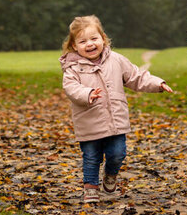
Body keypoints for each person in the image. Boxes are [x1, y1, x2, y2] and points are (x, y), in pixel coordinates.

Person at [60, 15, 174, 203]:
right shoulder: (72, 68)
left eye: (94, 39)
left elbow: (136, 76)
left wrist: (157, 83)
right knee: (91, 156)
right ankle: (90, 187)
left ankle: (111, 174)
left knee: (118, 153)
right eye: (82, 41)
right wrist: (87, 94)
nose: (89, 44)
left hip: (115, 121)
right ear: (74, 46)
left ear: (103, 38)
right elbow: (71, 88)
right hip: (89, 123)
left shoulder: (116, 60)